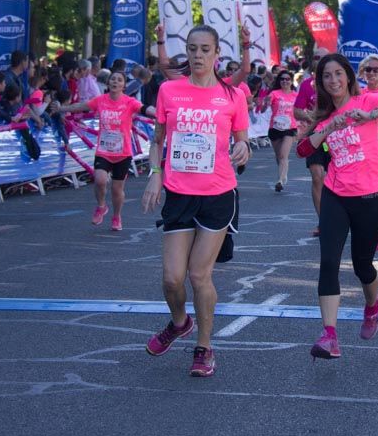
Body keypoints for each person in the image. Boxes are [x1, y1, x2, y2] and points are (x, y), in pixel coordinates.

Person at [141, 25, 250, 378]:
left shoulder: (232, 95)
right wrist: (155, 173)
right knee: (172, 279)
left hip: (218, 193)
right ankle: (179, 322)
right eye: (192, 49)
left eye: (205, 49)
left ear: (217, 53)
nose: (198, 55)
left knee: (198, 274)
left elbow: (243, 141)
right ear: (185, 52)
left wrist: (242, 148)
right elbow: (157, 139)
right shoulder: (170, 91)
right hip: (179, 191)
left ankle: (204, 347)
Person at [296, 53, 378, 359]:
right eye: (326, 76)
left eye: (338, 74)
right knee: (329, 261)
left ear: (348, 77)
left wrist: (371, 116)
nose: (333, 81)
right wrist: (329, 126)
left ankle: (372, 306)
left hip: (372, 197)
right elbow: (304, 148)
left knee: (362, 266)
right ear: (321, 83)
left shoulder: (369, 101)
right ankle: (329, 335)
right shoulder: (322, 115)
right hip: (336, 194)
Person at [55, 72, 151, 231]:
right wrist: (62, 109)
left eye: (119, 80)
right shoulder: (101, 100)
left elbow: (144, 109)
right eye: (113, 79)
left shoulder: (129, 102)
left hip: (122, 153)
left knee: (116, 189)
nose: (115, 82)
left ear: (123, 86)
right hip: (104, 151)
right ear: (108, 83)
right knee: (100, 180)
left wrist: (160, 114)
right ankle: (101, 206)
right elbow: (81, 106)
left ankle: (117, 216)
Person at [293, 46, 330, 237]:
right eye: (316, 57)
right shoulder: (307, 84)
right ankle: (323, 222)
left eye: (323, 57)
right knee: (317, 176)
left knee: (336, 179)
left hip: (334, 136)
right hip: (314, 135)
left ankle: (340, 218)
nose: (319, 60)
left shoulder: (337, 82)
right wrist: (309, 115)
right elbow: (296, 111)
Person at [265, 69, 297, 192]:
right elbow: (263, 109)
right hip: (275, 128)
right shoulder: (274, 94)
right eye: (282, 79)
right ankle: (283, 174)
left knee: (284, 155)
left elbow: (300, 110)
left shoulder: (295, 95)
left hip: (289, 128)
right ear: (279, 81)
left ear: (291, 81)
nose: (285, 81)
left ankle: (280, 180)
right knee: (279, 156)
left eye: (287, 79)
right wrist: (264, 103)